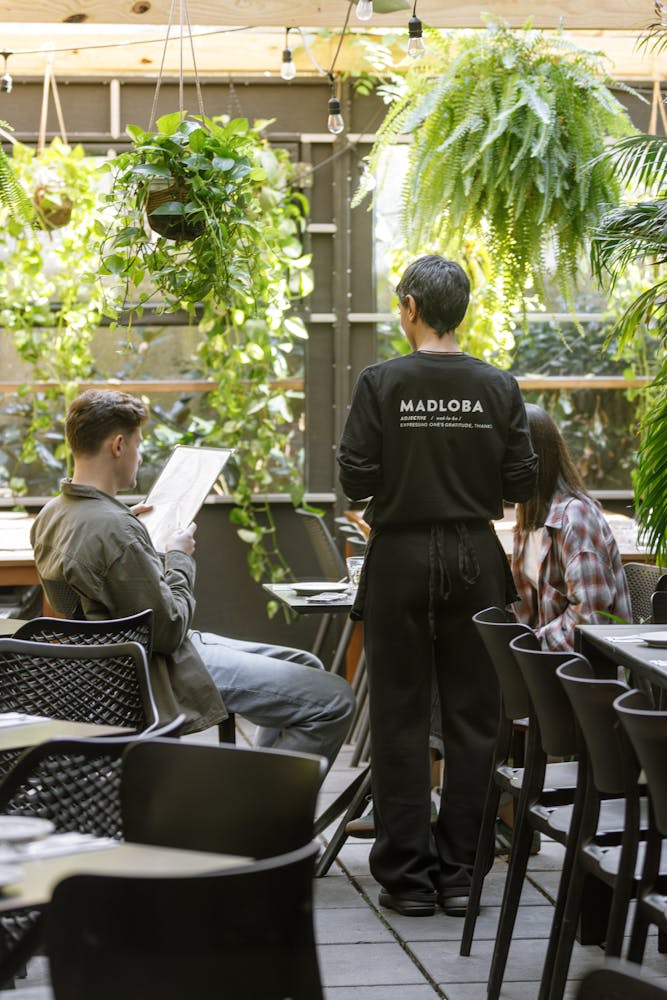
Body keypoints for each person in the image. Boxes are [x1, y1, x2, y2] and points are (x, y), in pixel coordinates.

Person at [337, 255, 538, 917]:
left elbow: (355, 480)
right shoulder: (498, 385)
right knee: (473, 721)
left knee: (396, 718)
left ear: (412, 307)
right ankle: (460, 875)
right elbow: (518, 485)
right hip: (475, 559)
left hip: (398, 556)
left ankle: (406, 879)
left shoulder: (380, 381)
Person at [30, 389, 355, 774]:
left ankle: (261, 793)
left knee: (307, 663)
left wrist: (132, 525)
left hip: (118, 659)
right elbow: (168, 630)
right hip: (156, 666)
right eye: (137, 444)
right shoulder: (113, 528)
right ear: (118, 445)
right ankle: (266, 816)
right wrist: (179, 555)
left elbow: (98, 580)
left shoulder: (54, 513)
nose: (139, 454)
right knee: (333, 699)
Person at [511, 403, 632, 650]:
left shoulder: (574, 518)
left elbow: (589, 621)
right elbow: (522, 612)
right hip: (553, 666)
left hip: (591, 674)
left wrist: (529, 646)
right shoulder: (526, 513)